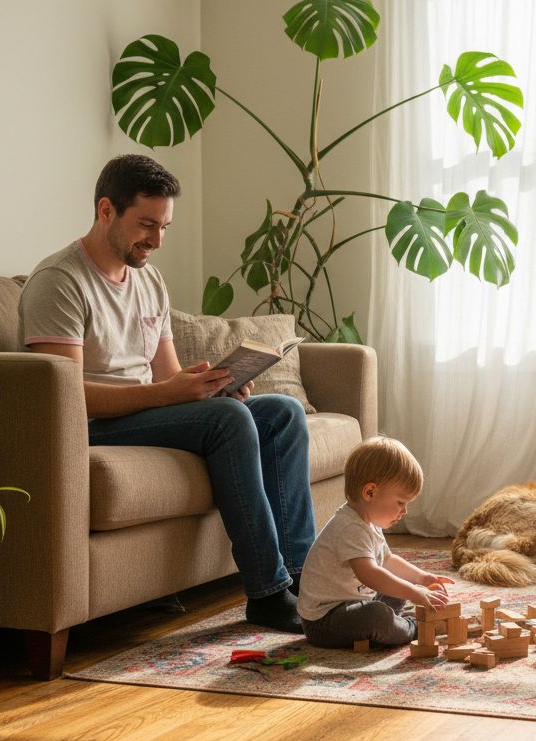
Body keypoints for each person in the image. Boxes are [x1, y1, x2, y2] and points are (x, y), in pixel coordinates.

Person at [18, 154, 314, 633]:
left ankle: (306, 578)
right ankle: (267, 592)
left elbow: (169, 375)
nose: (155, 241)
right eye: (146, 225)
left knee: (280, 412)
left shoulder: (149, 279)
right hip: (92, 427)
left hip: (142, 415)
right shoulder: (60, 282)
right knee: (229, 421)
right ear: (106, 210)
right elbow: (66, 400)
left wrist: (217, 386)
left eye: (164, 228)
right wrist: (180, 396)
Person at [297, 436, 454, 648]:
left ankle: (390, 624)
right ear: (370, 492)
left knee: (396, 590)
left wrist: (421, 578)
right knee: (377, 615)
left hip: (352, 603)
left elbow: (387, 559)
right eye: (400, 502)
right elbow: (369, 574)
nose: (404, 511)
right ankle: (412, 627)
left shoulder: (368, 521)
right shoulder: (350, 527)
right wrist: (414, 592)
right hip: (324, 621)